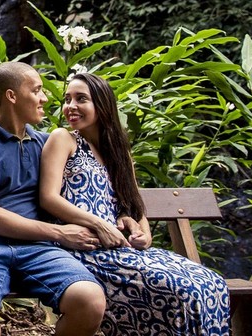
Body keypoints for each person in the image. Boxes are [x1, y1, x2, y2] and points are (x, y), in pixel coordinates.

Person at [40, 72, 232, 336]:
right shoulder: (64, 139)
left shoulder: (118, 152)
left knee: (211, 282)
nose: (70, 106)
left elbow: (132, 203)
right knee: (183, 291)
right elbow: (48, 198)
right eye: (67, 99)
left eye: (81, 99)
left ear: (102, 105)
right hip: (84, 249)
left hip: (122, 249)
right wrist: (99, 225)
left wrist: (144, 233)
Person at [0, 61, 107, 336]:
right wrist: (59, 233)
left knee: (90, 300)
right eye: (36, 90)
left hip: (38, 249)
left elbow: (98, 175)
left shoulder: (48, 145)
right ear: (12, 96)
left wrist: (130, 215)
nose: (45, 98)